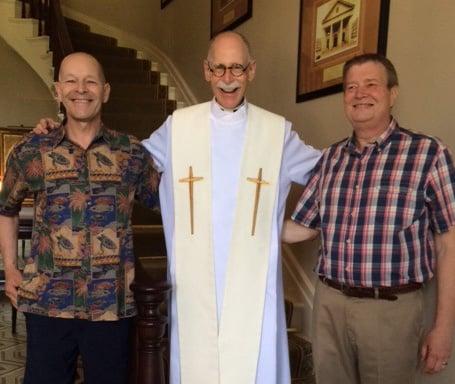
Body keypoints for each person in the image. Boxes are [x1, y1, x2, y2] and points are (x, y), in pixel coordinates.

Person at [34, 32, 321, 384]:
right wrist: (57, 130)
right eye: (219, 68)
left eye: (237, 68)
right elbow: (123, 161)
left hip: (252, 283)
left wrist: (295, 226)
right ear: (206, 70)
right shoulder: (179, 128)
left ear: (251, 71)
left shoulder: (276, 133)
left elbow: (331, 176)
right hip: (194, 279)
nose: (228, 78)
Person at [283, 53, 455, 384]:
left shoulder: (428, 154)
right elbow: (302, 228)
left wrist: (444, 327)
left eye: (371, 84)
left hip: (391, 310)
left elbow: (448, 243)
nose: (360, 94)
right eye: (351, 87)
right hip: (330, 305)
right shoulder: (331, 158)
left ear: (392, 93)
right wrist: (239, 220)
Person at [0, 52, 160, 384]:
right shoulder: (33, 151)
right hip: (47, 304)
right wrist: (12, 268)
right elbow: (6, 208)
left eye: (90, 81)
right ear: (58, 91)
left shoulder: (131, 153)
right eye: (71, 81)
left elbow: (171, 204)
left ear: (106, 91)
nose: (81, 89)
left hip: (111, 305)